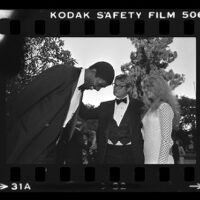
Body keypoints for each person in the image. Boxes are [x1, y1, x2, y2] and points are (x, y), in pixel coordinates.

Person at [6, 61, 115, 164]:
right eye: (100, 84)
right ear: (93, 71)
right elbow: (28, 96)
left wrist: (112, 106)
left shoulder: (80, 92)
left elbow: (86, 113)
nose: (97, 89)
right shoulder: (63, 72)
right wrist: (11, 126)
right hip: (31, 140)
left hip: (51, 149)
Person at [79, 74, 144, 164]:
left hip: (131, 154)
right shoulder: (104, 106)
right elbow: (85, 113)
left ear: (128, 88)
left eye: (120, 86)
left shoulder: (138, 106)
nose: (116, 88)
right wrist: (79, 91)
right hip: (107, 153)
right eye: (115, 85)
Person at [141, 74, 180, 164]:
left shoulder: (164, 107)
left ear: (159, 88)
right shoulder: (149, 110)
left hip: (161, 162)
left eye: (149, 86)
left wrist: (161, 163)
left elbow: (167, 140)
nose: (146, 90)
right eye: (145, 87)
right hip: (148, 160)